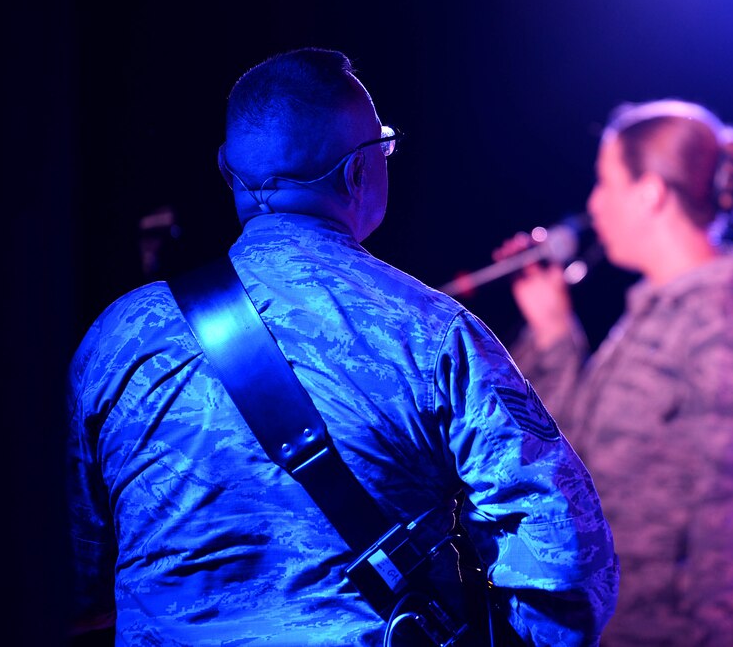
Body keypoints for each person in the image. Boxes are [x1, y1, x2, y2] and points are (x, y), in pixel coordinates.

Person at [66, 47, 618, 646]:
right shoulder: (431, 333)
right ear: (358, 173)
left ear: (228, 171)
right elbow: (567, 562)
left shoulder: (118, 339)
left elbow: (72, 573)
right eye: (383, 147)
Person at [495, 99, 733, 646]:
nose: (594, 205)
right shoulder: (654, 316)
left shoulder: (724, 330)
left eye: (606, 183)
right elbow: (570, 458)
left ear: (651, 193)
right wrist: (553, 334)